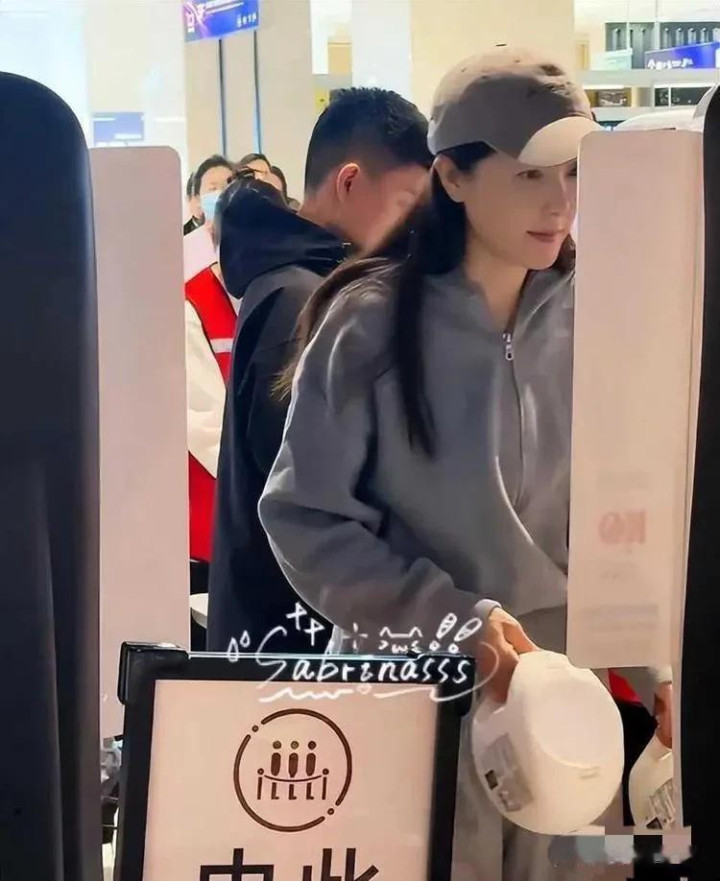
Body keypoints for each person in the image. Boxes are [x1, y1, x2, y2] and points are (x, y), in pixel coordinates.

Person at [258, 50, 673, 880]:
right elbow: (305, 520)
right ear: (451, 177)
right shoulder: (367, 323)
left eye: (573, 174)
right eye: (529, 176)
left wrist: (655, 666)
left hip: (567, 718)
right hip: (415, 701)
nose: (560, 203)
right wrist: (454, 621)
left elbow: (617, 519)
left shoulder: (602, 315)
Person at [207, 87, 432, 656]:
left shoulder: (292, 284)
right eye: (407, 201)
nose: (415, 226)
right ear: (349, 182)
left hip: (281, 632)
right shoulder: (302, 301)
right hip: (290, 644)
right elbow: (309, 502)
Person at [185, 170, 284, 650]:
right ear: (213, 235)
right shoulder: (192, 304)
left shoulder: (282, 292)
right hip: (219, 519)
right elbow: (204, 424)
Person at [191, 155, 235, 231]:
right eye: (213, 189)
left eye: (228, 188)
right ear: (198, 200)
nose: (221, 194)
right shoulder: (191, 238)